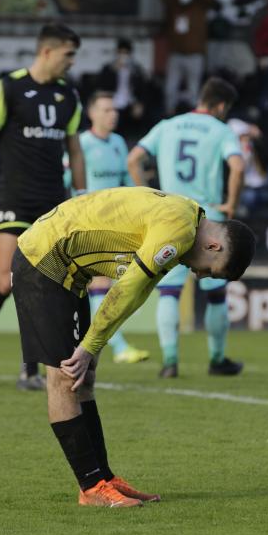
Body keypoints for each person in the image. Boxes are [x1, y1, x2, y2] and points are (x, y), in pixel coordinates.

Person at [12, 186, 256, 506]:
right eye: (210, 269)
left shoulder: (186, 221)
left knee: (84, 377)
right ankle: (91, 487)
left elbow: (137, 292)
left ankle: (102, 477)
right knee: (65, 376)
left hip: (65, 270)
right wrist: (89, 346)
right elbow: (126, 288)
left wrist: (92, 346)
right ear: (214, 245)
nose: (198, 274)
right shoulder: (179, 228)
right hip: (42, 261)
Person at [0, 23, 86, 390]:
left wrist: (82, 194)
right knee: (6, 283)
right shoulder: (8, 87)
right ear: (47, 51)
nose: (72, 62)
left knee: (45, 285)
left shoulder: (68, 95)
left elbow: (74, 148)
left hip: (53, 203)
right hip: (13, 200)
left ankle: (30, 368)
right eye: (68, 54)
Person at [128, 77, 245, 378]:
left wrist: (151, 197)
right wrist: (231, 202)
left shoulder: (168, 125)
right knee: (216, 291)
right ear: (220, 106)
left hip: (169, 217)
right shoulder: (221, 130)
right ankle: (217, 359)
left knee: (169, 291)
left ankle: (169, 362)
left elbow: (135, 159)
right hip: (207, 220)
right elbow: (238, 166)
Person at [69, 91, 149, 364]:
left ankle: (91, 345)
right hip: (89, 223)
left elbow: (127, 181)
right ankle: (118, 347)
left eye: (114, 109)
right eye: (105, 110)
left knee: (103, 285)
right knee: (102, 283)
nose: (112, 114)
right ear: (91, 114)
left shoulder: (117, 143)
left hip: (117, 224)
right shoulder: (82, 143)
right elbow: (66, 180)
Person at [161, 0, 218, 116]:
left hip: (195, 54)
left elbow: (214, 3)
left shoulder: (200, 4)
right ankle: (169, 114)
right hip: (175, 53)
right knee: (170, 89)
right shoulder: (173, 3)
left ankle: (194, 116)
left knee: (194, 90)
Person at [96, 38, 148, 140]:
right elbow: (101, 87)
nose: (124, 56)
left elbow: (143, 89)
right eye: (121, 53)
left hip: (130, 104)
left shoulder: (136, 70)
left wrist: (140, 104)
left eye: (126, 53)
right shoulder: (108, 68)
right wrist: (113, 71)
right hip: (114, 103)